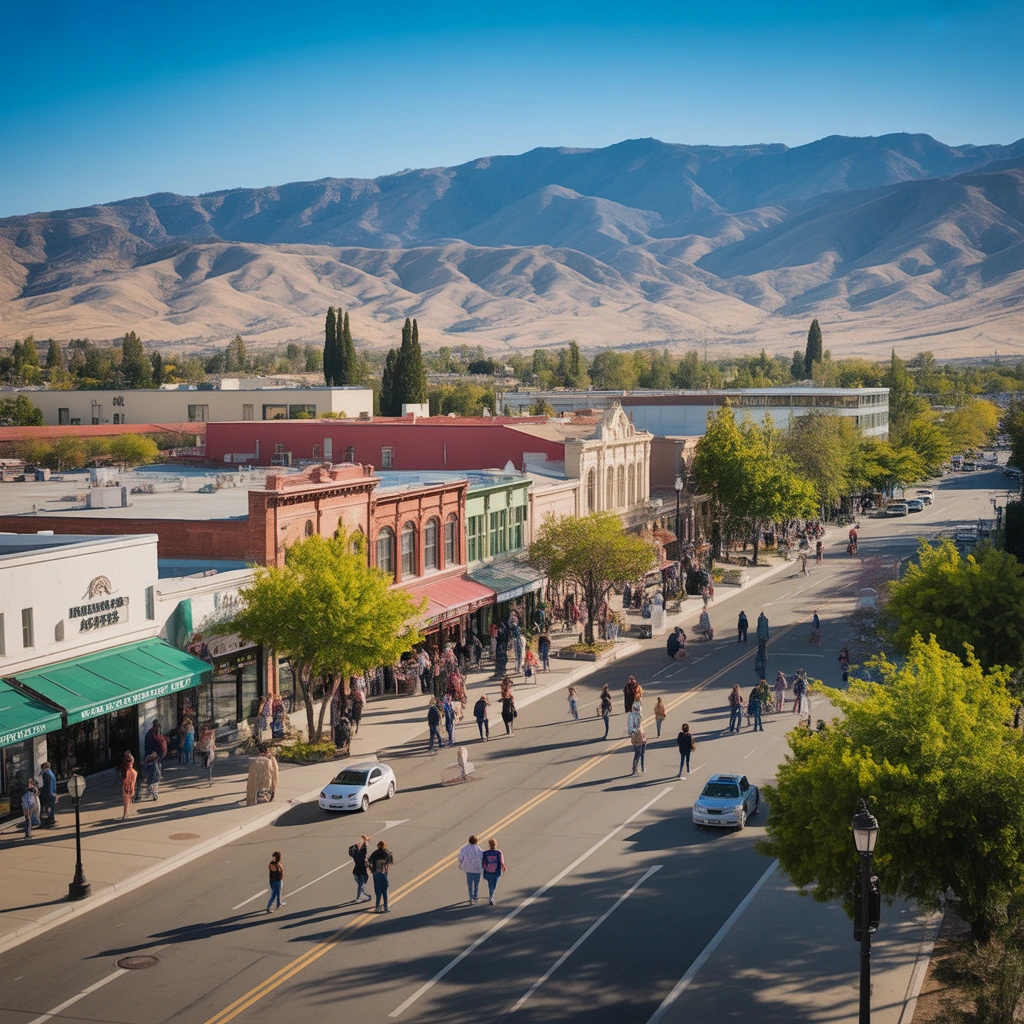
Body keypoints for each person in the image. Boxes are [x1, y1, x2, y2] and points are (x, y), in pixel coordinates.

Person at [368, 840, 394, 913]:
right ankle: (386, 907)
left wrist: (372, 870)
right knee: (385, 891)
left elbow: (369, 862)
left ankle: (377, 907)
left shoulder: (375, 853)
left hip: (376, 873)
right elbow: (389, 863)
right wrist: (386, 870)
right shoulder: (387, 853)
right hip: (383, 873)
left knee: (378, 891)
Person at [458, 835, 485, 904]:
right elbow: (482, 857)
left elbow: (461, 858)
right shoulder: (478, 849)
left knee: (470, 884)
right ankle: (475, 897)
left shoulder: (464, 848)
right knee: (476, 884)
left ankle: (471, 898)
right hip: (477, 869)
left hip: (469, 869)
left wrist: (462, 865)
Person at [481, 838, 506, 905]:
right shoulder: (498, 852)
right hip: (496, 871)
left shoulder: (485, 853)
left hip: (488, 871)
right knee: (494, 885)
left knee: (490, 884)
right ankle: (491, 896)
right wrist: (503, 868)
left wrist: (483, 867)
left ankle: (491, 895)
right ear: (496, 844)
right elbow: (501, 861)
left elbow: (483, 861)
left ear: (489, 845)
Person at [350, 834, 371, 902]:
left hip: (355, 872)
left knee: (360, 884)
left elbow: (357, 849)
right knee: (361, 884)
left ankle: (362, 894)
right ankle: (359, 897)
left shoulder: (355, 856)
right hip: (362, 871)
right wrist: (365, 841)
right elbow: (364, 848)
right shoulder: (362, 856)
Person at [39, 761, 57, 828]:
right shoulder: (51, 773)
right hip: (52, 793)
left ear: (44, 767)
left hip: (48, 793)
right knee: (51, 808)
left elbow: (47, 785)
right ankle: (51, 820)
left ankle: (47, 822)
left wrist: (44, 793)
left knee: (46, 808)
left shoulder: (46, 774)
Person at [119, 752, 137, 819]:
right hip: (130, 787)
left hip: (125, 787)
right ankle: (125, 814)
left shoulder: (124, 770)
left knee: (126, 801)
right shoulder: (133, 772)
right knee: (127, 801)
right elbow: (133, 782)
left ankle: (125, 814)